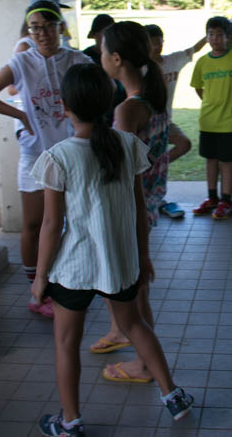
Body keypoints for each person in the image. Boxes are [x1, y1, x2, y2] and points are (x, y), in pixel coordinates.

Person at [30, 64, 193, 435]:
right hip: (119, 263)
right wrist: (143, 256)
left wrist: (40, 277)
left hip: (73, 268)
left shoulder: (58, 157)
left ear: (64, 106)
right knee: (134, 324)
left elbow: (52, 226)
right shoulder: (128, 145)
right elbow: (138, 208)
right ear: (109, 101)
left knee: (66, 342)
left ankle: (70, 421)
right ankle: (173, 395)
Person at [0, 0, 94, 319]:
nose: (42, 33)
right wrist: (20, 115)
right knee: (33, 223)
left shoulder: (76, 60)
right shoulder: (21, 61)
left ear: (61, 27)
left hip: (72, 152)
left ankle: (67, 280)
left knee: (71, 221)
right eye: (35, 28)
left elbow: (101, 89)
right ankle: (36, 290)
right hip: (35, 154)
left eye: (48, 26)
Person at [88, 21, 169, 379]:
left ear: (116, 59)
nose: (100, 57)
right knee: (139, 294)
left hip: (128, 211)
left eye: (103, 52)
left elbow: (118, 173)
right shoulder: (153, 98)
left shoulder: (127, 110)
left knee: (134, 298)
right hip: (148, 205)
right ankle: (144, 361)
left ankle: (143, 365)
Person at [189, 16, 232, 219]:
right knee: (211, 160)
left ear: (228, 37)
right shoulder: (202, 61)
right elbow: (199, 88)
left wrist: (231, 96)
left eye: (219, 35)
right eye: (211, 34)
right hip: (207, 120)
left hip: (229, 122)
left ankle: (226, 201)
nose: (215, 39)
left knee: (227, 162)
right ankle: (212, 198)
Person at [146, 23, 207, 219]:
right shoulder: (139, 68)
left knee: (184, 144)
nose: (157, 46)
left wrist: (209, 36)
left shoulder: (173, 60)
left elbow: (194, 49)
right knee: (143, 164)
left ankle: (157, 167)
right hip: (145, 125)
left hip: (166, 121)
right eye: (152, 43)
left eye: (159, 42)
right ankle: (150, 197)